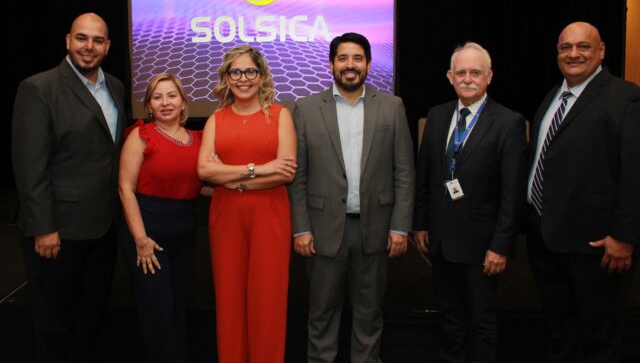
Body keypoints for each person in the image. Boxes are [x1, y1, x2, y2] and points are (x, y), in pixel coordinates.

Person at [288, 32, 415, 363]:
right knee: (321, 314)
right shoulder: (305, 109)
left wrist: (400, 227)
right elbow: (298, 176)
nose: (350, 65)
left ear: (369, 65)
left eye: (357, 58)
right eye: (343, 58)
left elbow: (404, 172)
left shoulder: (392, 107)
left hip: (375, 230)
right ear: (331, 64)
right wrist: (301, 228)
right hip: (322, 231)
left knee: (369, 315)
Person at [11, 12, 126, 362]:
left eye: (97, 40)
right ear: (68, 41)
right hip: (57, 231)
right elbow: (30, 167)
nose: (89, 47)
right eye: (81, 38)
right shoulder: (39, 88)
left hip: (103, 227)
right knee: (54, 322)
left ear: (108, 46)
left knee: (90, 317)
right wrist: (44, 227)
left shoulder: (116, 87)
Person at [526, 21, 640, 362]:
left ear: (601, 51)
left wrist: (624, 236)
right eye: (566, 47)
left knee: (598, 339)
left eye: (583, 46)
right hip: (547, 239)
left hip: (596, 245)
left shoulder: (625, 96)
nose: (573, 54)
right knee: (561, 332)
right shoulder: (553, 95)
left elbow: (634, 171)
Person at [414, 42, 528, 363]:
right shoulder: (436, 116)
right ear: (450, 76)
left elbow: (512, 191)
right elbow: (425, 175)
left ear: (489, 77)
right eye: (461, 72)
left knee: (481, 319)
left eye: (475, 73)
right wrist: (420, 224)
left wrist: (501, 246)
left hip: (483, 246)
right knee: (450, 316)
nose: (467, 79)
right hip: (440, 241)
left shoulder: (508, 122)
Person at [197, 45, 297, 363]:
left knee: (267, 299)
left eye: (250, 71)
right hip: (226, 217)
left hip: (270, 216)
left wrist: (231, 180)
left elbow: (285, 172)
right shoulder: (216, 119)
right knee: (229, 299)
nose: (243, 78)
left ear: (262, 75)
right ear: (227, 78)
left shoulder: (281, 115)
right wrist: (259, 168)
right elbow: (204, 171)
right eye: (236, 72)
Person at [118, 73, 203, 363]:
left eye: (171, 96)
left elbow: (199, 185)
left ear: (184, 102)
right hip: (148, 235)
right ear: (149, 106)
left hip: (184, 234)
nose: (165, 102)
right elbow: (125, 189)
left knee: (178, 309)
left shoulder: (198, 140)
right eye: (157, 97)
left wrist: (244, 188)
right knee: (159, 313)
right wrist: (141, 240)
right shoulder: (141, 136)